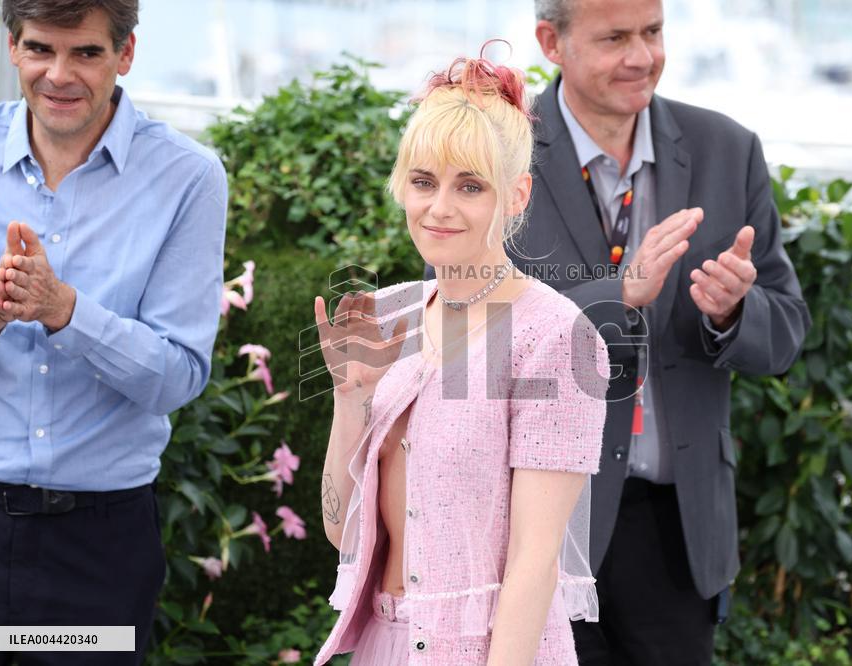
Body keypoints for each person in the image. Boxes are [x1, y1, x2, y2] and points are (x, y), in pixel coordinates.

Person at [518, 1, 812, 664]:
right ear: (551, 42)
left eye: (652, 32)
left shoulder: (727, 149)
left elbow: (787, 329)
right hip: (535, 521)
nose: (642, 56)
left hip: (676, 526)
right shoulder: (493, 149)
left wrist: (733, 312)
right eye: (615, 37)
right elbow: (463, 337)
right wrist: (612, 297)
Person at [312, 52, 610, 665]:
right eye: (424, 181)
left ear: (516, 194)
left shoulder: (557, 337)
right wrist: (351, 399)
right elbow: (344, 534)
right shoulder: (389, 317)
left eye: (469, 185)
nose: (439, 207)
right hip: (379, 645)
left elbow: (535, 560)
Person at [0, 1, 227, 663]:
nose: (58, 74)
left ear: (127, 53)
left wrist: (66, 312)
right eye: (39, 49)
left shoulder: (188, 179)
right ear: (12, 48)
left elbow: (176, 377)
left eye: (85, 52)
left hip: (96, 550)